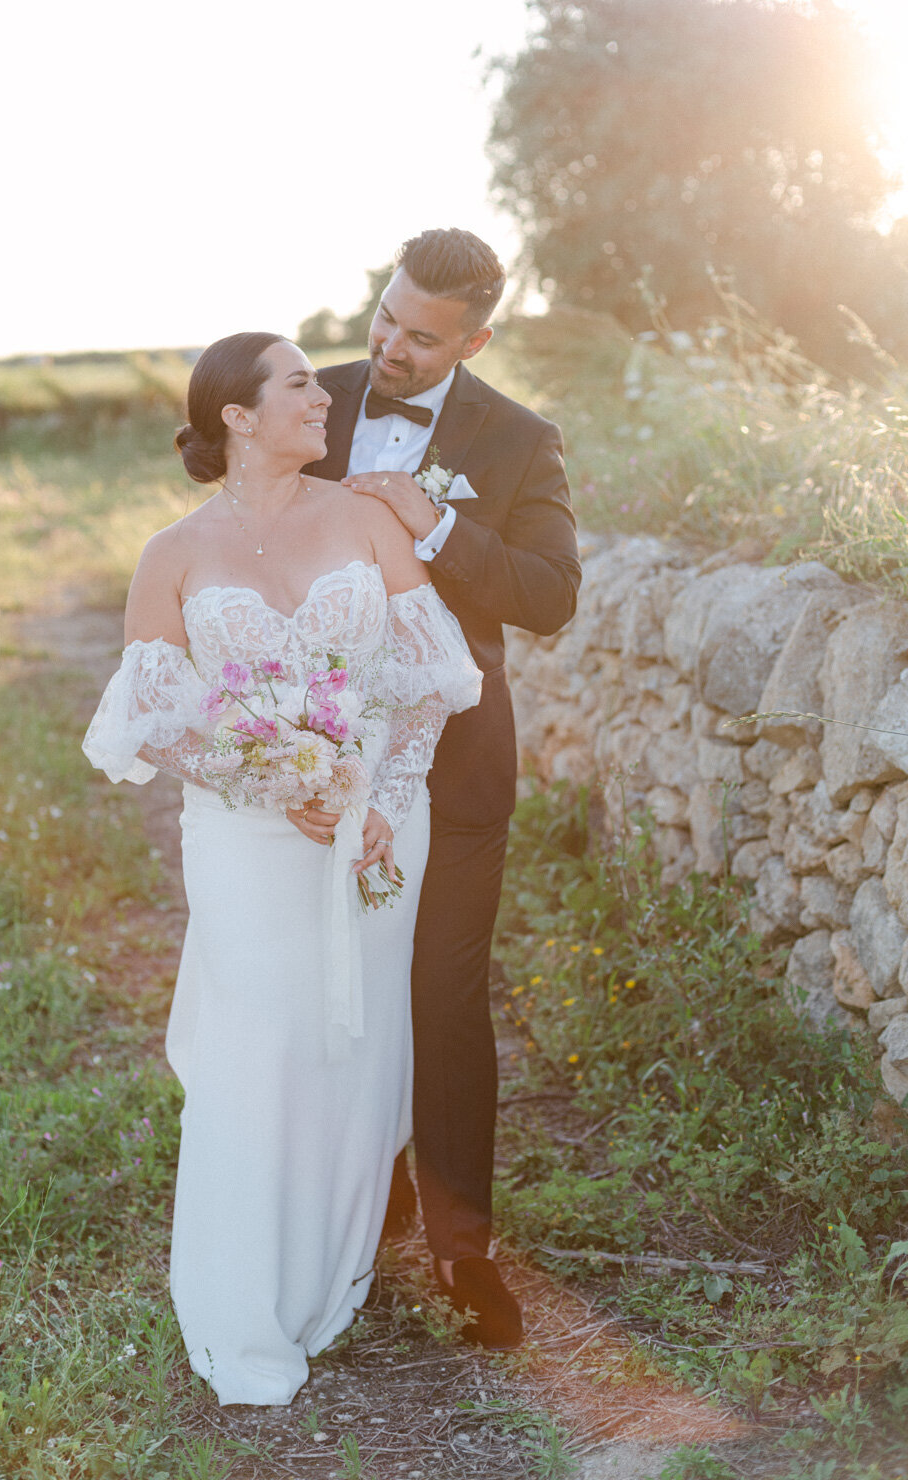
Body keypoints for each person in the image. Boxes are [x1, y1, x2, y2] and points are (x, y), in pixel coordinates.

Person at [82, 330, 481, 1406]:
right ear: (239, 418)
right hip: (243, 837)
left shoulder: (364, 517)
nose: (324, 395)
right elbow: (158, 720)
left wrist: (379, 804)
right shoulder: (171, 554)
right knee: (256, 1041)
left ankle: (325, 1268)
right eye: (300, 382)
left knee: (347, 1043)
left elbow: (429, 679)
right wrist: (276, 781)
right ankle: (241, 1294)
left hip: (375, 824)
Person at [306, 228, 581, 1348]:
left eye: (421, 338)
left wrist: (440, 524)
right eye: (384, 317)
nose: (391, 347)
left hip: (457, 759)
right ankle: (345, 1215)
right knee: (331, 980)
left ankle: (463, 1247)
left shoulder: (520, 441)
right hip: (319, 754)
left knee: (445, 991)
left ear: (475, 338)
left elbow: (550, 594)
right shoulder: (305, 403)